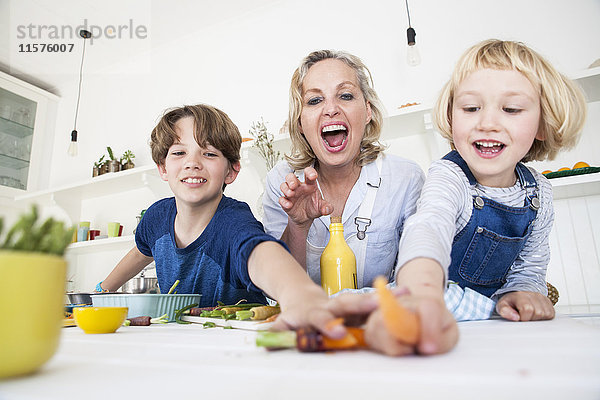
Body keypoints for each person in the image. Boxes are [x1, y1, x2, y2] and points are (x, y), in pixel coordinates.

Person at [263, 50, 458, 356]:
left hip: (381, 336)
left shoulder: (404, 178)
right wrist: (298, 224)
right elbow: (278, 291)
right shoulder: (282, 182)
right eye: (314, 101)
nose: (331, 109)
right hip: (310, 339)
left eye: (345, 95)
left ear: (367, 111)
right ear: (300, 122)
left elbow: (413, 275)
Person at [96, 104, 347, 335]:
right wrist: (100, 292)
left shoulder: (232, 220)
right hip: (181, 340)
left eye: (208, 154)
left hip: (238, 342)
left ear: (231, 171)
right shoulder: (156, 217)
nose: (192, 163)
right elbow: (140, 252)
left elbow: (259, 253)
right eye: (179, 152)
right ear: (163, 168)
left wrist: (298, 293)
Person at [395, 39, 587, 324]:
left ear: (543, 124)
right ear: (451, 116)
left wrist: (524, 292)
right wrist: (421, 290)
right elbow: (428, 227)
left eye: (510, 109)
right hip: (434, 301)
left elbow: (529, 269)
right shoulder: (450, 176)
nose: (487, 123)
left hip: (491, 321)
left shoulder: (539, 193)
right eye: (471, 108)